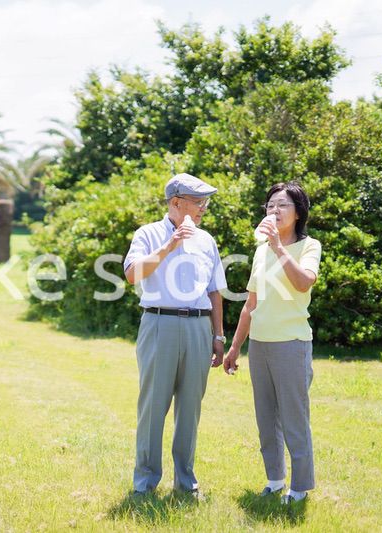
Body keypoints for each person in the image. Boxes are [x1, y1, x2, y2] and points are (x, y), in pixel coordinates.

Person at [123, 172, 227, 497]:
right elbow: (132, 274)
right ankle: (145, 483)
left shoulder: (207, 241)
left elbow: (215, 291)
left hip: (199, 327)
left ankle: (186, 482)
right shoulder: (148, 234)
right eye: (198, 201)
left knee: (190, 408)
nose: (203, 208)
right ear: (176, 202)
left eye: (205, 202)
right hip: (159, 324)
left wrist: (219, 336)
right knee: (153, 407)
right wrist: (170, 245)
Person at [224, 181, 322, 505]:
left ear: (298, 213)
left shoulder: (309, 246)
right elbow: (250, 305)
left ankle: (300, 488)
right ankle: (275, 479)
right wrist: (235, 347)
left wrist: (279, 247)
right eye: (270, 206)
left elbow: (304, 282)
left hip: (291, 344)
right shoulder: (260, 251)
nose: (274, 210)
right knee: (266, 418)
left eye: (282, 205)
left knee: (294, 419)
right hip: (260, 345)